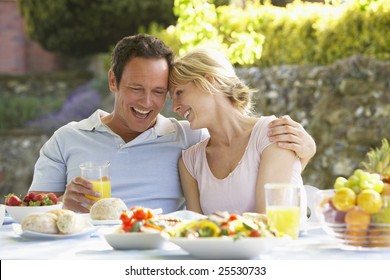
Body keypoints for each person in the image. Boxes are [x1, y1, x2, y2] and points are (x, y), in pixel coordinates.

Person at [28, 34, 315, 214]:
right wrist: (63, 202)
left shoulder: (187, 137)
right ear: (113, 81)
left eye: (159, 92)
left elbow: (243, 141)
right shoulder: (66, 138)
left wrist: (306, 149)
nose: (148, 103)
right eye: (137, 88)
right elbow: (28, 214)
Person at [168, 47, 312, 215]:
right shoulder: (189, 162)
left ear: (209, 81)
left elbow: (268, 221)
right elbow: (193, 232)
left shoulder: (272, 133)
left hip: (279, 241)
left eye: (179, 92)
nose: (175, 107)